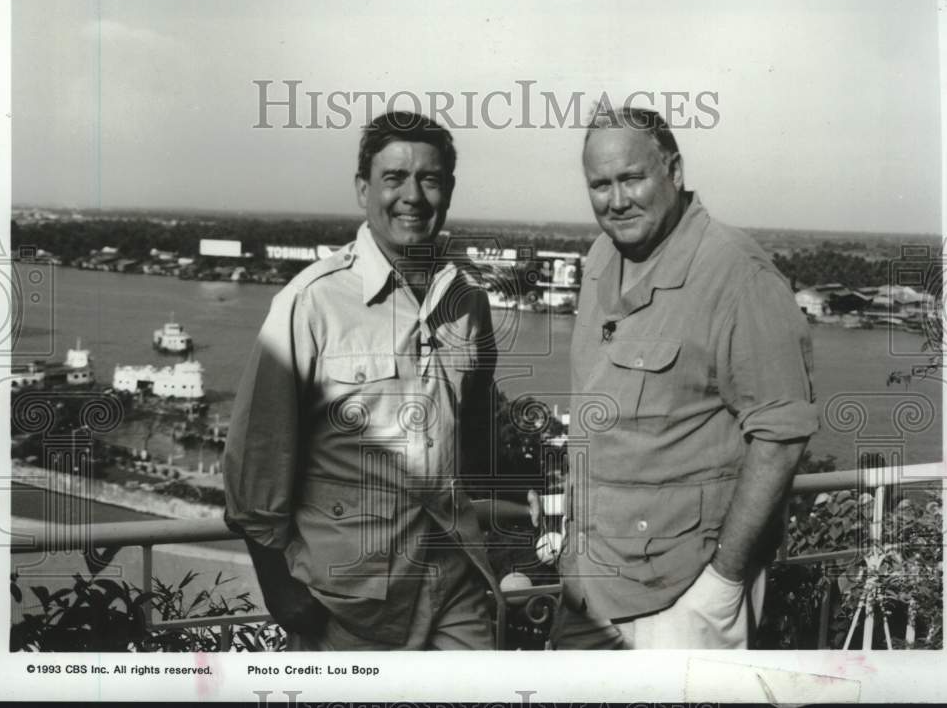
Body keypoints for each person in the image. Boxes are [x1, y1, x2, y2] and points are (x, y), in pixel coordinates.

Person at [224, 111, 499, 650]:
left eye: (430, 179)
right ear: (362, 190)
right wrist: (279, 591)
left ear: (449, 190)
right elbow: (258, 455)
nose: (412, 196)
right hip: (350, 601)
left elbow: (475, 429)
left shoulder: (469, 302)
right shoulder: (312, 303)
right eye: (394, 177)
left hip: (453, 585)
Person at [549, 106, 818, 649]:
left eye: (632, 178)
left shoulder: (738, 275)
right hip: (589, 584)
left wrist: (722, 582)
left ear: (673, 171)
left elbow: (782, 436)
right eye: (600, 185)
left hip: (681, 599)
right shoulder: (602, 257)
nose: (616, 200)